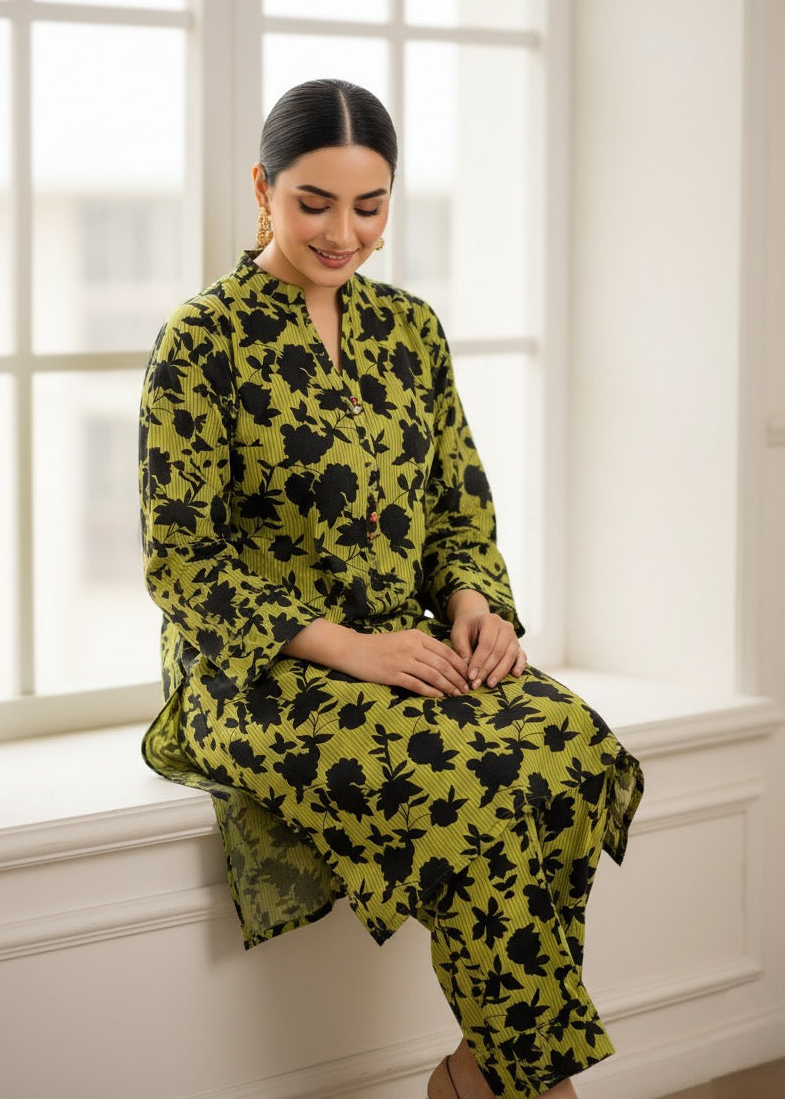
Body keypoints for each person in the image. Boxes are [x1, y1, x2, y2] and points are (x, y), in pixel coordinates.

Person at [139, 78, 643, 1099]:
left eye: (369, 207)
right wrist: (353, 648)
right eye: (314, 203)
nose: (344, 234)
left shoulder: (411, 330)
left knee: (573, 747)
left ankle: (482, 1070)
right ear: (263, 189)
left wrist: (475, 607)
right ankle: (534, 1086)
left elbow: (460, 510)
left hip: (406, 644)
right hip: (259, 677)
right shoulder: (202, 341)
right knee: (481, 790)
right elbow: (180, 560)